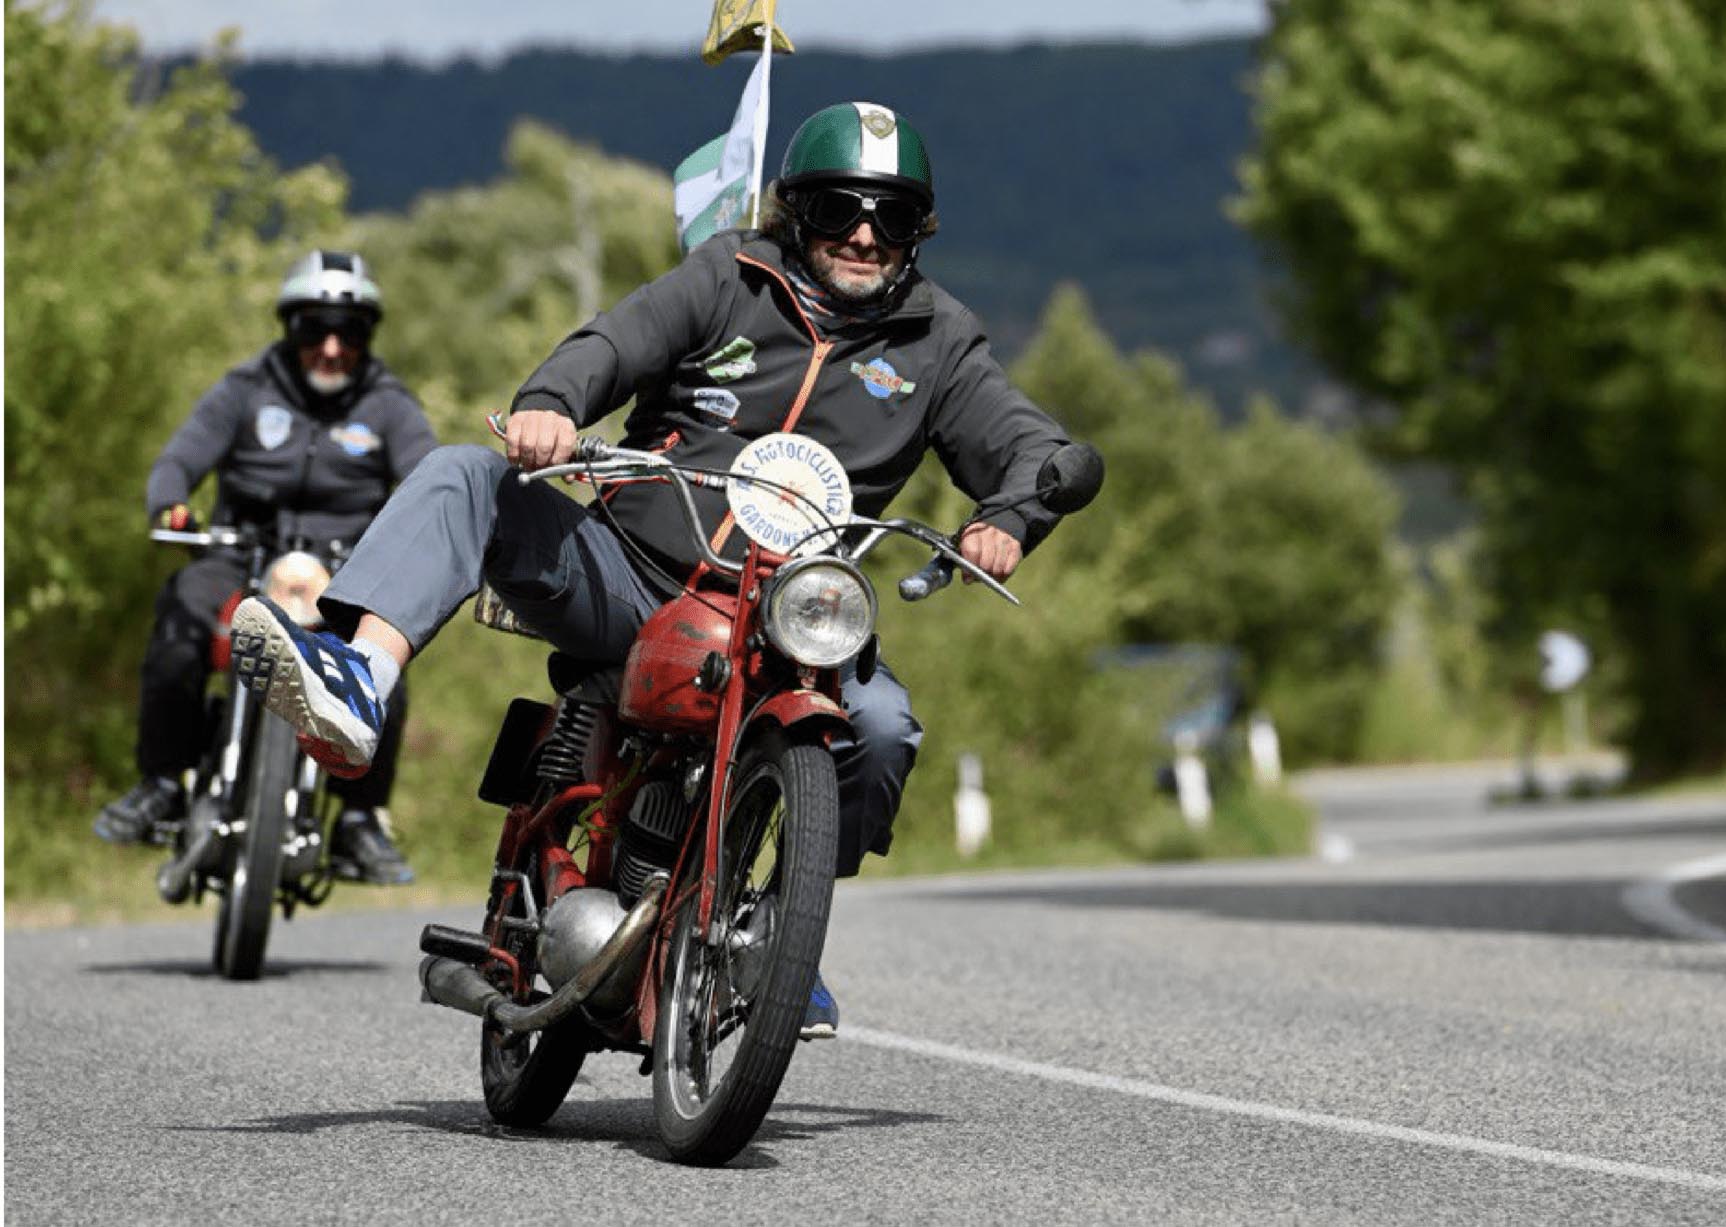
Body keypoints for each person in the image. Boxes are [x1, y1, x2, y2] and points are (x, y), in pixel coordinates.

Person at [227, 103, 1089, 1034]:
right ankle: (361, 679)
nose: (864, 234)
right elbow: (613, 342)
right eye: (839, 207)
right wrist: (553, 403)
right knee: (463, 473)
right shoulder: (728, 277)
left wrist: (1012, 511)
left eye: (892, 214)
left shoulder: (939, 340)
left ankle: (777, 924)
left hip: (791, 621)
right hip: (629, 575)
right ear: (795, 211)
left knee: (879, 726)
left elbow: (1028, 446)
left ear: (919, 229)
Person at [94, 250, 437, 886]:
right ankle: (162, 783)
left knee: (383, 652)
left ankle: (361, 821)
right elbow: (178, 460)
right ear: (290, 328)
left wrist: (422, 533)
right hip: (236, 554)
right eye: (314, 330)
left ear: (368, 338)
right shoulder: (244, 388)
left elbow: (427, 478)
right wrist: (169, 503)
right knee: (177, 624)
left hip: (345, 571)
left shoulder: (390, 404)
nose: (332, 348)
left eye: (350, 333)